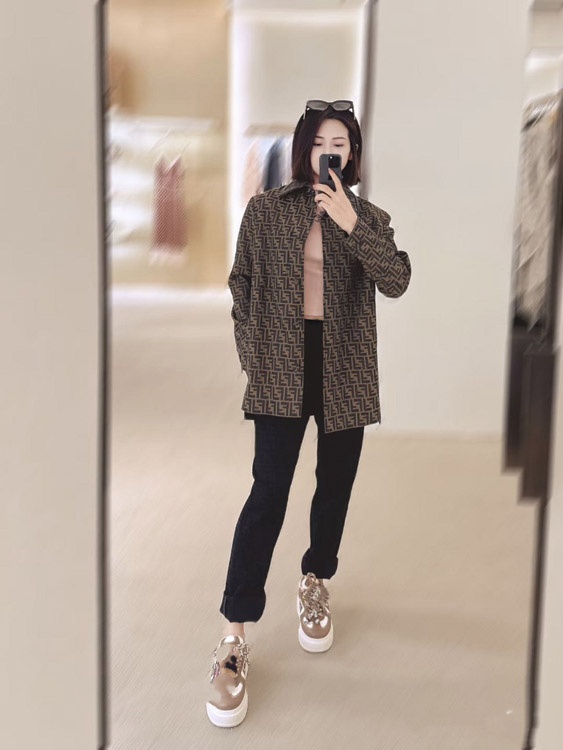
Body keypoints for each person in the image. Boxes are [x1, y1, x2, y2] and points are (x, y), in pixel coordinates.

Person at [205, 99, 412, 728]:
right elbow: (241, 283)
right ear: (303, 149)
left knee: (335, 486)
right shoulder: (266, 211)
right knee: (268, 491)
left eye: (340, 144)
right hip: (280, 366)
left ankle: (316, 580)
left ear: (353, 154)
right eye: (320, 142)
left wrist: (351, 222)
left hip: (345, 365)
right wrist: (253, 356)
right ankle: (233, 636)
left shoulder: (368, 217)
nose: (330, 152)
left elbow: (397, 280)